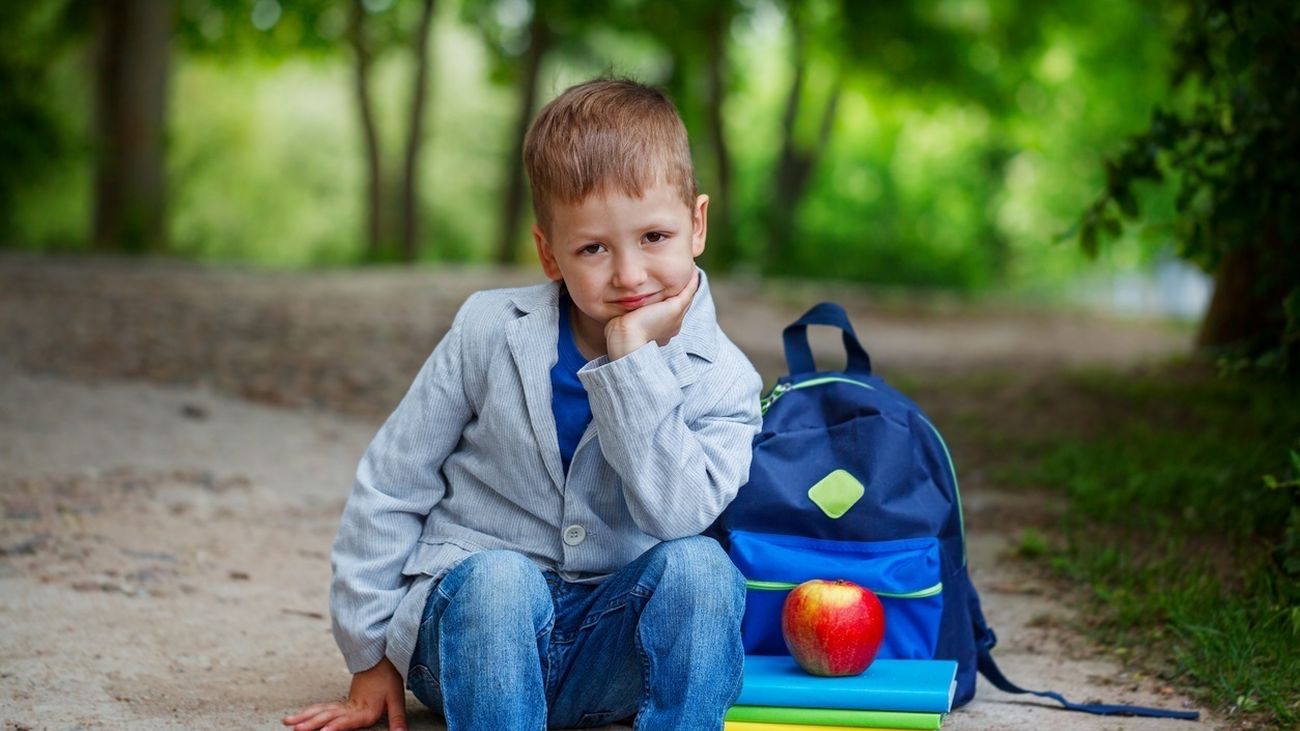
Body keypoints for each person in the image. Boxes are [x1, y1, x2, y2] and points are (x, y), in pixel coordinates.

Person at [283, 78, 763, 731]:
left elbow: (677, 514)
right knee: (500, 579)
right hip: (472, 639)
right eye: (594, 248)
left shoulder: (726, 379)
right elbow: (392, 483)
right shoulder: (488, 328)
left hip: (612, 656)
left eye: (654, 236)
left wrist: (632, 364)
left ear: (697, 224)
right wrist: (368, 655)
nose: (628, 274)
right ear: (548, 253)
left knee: (704, 568)